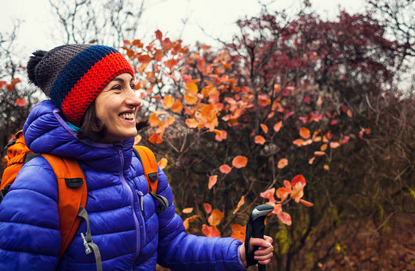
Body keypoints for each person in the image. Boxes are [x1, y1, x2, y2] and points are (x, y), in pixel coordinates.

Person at [0, 44, 273, 270]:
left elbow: (172, 246)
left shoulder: (144, 166)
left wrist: (237, 254)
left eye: (132, 85)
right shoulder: (41, 183)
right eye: (117, 88)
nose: (136, 99)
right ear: (82, 104)